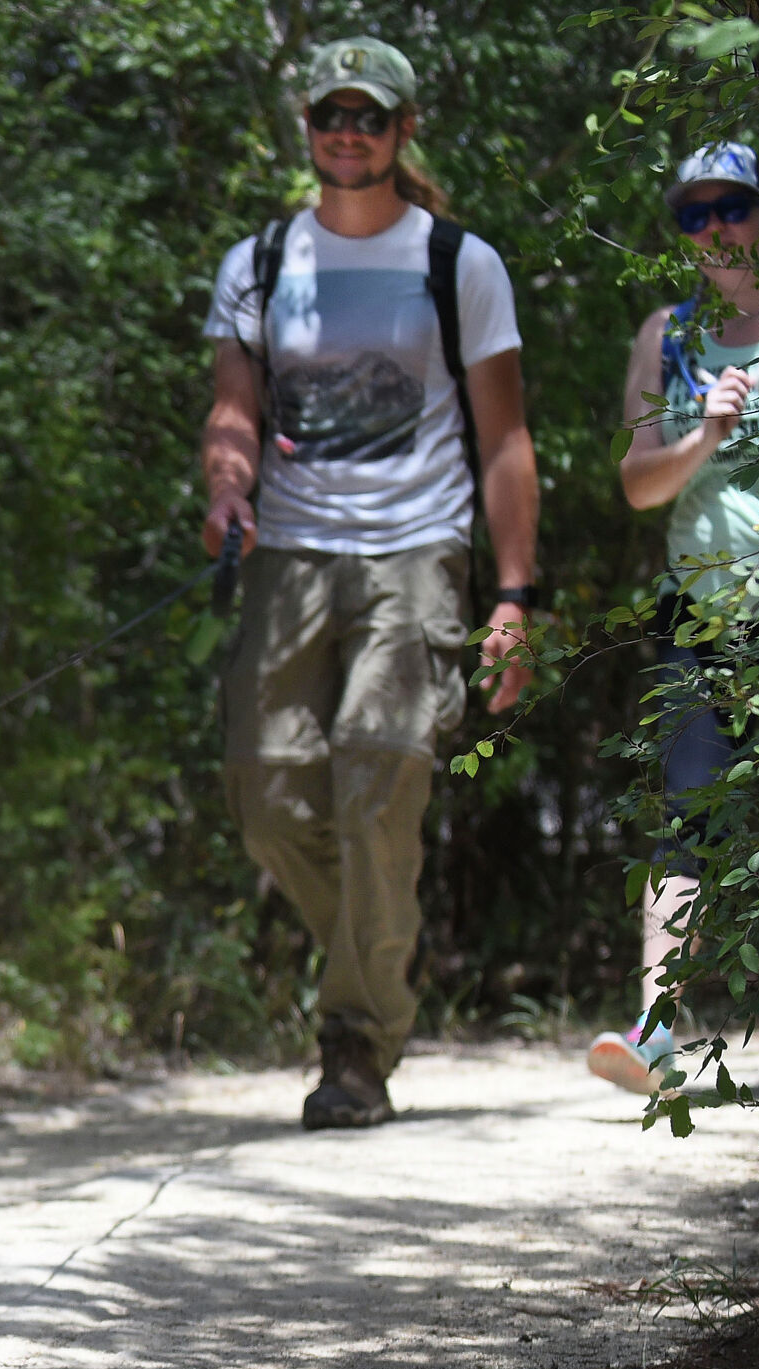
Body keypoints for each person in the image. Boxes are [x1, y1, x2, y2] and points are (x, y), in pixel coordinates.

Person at [200, 36, 540, 1129]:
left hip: (417, 549)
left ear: (402, 130)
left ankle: (355, 1046)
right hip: (290, 553)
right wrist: (226, 482)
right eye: (328, 115)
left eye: (369, 116)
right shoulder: (257, 260)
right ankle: (375, 946)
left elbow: (503, 440)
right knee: (267, 796)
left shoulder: (456, 262)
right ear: (306, 127)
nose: (347, 133)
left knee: (376, 779)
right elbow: (233, 407)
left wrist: (513, 597)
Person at [585, 141, 759, 1105]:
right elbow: (636, 483)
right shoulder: (668, 337)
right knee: (686, 826)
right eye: (695, 216)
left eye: (731, 208)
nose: (716, 231)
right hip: (701, 627)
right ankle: (654, 1034)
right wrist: (706, 435)